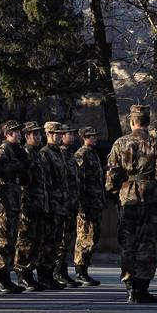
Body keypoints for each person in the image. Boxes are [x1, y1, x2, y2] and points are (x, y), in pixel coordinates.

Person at [105, 105, 157, 304]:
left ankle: (130, 285)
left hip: (127, 197)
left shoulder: (120, 143)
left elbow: (112, 174)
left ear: (131, 121)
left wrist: (114, 193)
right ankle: (142, 286)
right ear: (148, 122)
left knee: (128, 242)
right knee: (147, 242)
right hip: (149, 197)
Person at [0, 120, 30, 293]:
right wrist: (20, 164)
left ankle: (6, 276)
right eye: (15, 131)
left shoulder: (16, 150)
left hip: (13, 200)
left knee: (11, 240)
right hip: (3, 202)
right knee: (2, 240)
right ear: (7, 134)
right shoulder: (3, 149)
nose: (19, 134)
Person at [15, 121, 48, 291]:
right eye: (34, 134)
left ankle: (30, 273)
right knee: (26, 240)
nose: (38, 137)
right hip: (28, 203)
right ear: (27, 136)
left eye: (39, 134)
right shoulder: (25, 153)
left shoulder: (37, 154)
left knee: (36, 240)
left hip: (39, 203)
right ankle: (23, 274)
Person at [38, 122, 69, 290]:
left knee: (56, 241)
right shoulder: (45, 154)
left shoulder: (59, 154)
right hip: (51, 204)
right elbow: (45, 182)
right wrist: (47, 204)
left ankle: (50, 274)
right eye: (57, 133)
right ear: (48, 134)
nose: (60, 136)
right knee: (48, 241)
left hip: (60, 204)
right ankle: (44, 275)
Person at [74, 127, 106, 286]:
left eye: (95, 136)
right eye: (92, 136)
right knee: (84, 237)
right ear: (84, 137)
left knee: (93, 237)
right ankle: (80, 271)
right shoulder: (82, 154)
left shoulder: (93, 154)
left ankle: (85, 268)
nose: (95, 139)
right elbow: (79, 182)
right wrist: (81, 204)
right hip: (87, 203)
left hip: (96, 201)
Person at [55, 127, 81, 287]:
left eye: (72, 134)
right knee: (60, 239)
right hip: (60, 203)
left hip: (70, 202)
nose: (71, 137)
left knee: (67, 238)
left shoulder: (68, 154)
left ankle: (62, 271)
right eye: (68, 134)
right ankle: (57, 271)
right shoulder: (58, 154)